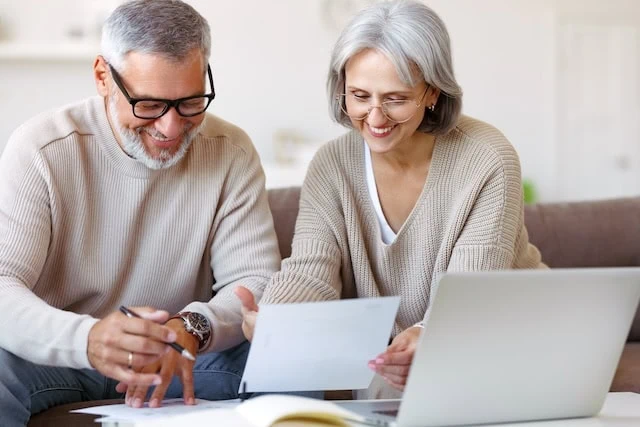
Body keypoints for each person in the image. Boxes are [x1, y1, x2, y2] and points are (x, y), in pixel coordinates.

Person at [236, 0, 545, 399]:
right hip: (396, 351)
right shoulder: (332, 165)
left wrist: (427, 333)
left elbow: (471, 292)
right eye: (359, 96)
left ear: (432, 92)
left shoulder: (486, 158)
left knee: (393, 387)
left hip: (498, 331)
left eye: (396, 98)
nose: (375, 118)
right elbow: (310, 272)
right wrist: (276, 319)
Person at [0, 1, 280, 425]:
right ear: (102, 77)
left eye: (190, 102)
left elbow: (254, 282)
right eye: (148, 105)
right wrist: (89, 338)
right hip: (62, 357)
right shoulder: (42, 148)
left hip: (181, 356)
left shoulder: (231, 152)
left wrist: (192, 327)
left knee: (279, 358)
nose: (170, 128)